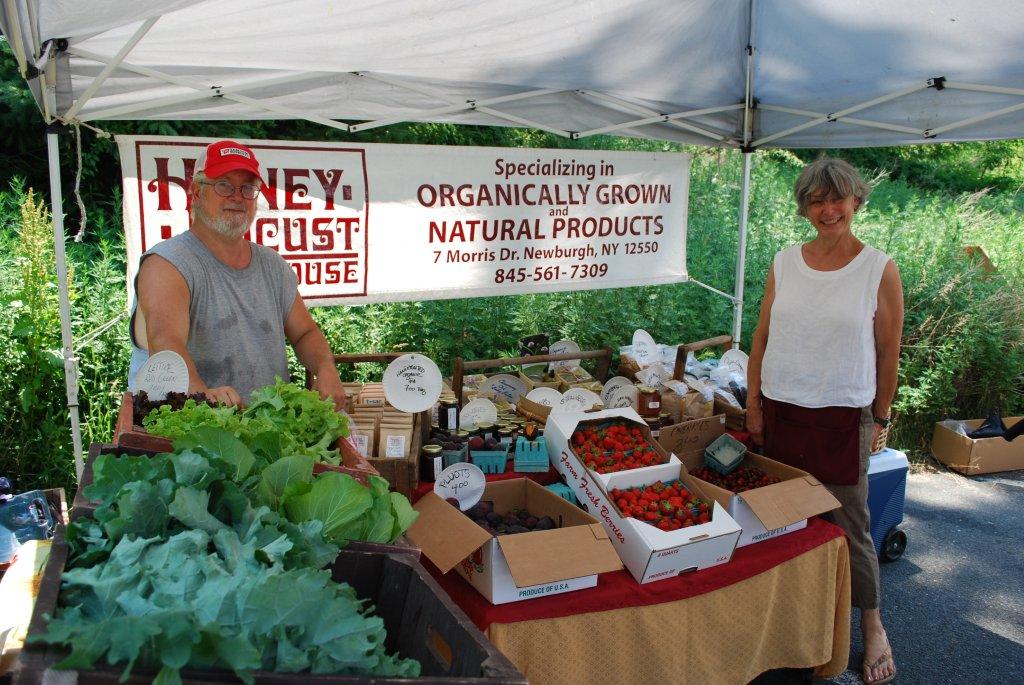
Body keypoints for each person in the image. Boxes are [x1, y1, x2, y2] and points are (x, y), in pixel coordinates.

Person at [746, 157, 902, 685]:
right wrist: (753, 402)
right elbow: (762, 336)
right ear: (805, 207)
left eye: (838, 199)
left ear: (857, 201)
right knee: (780, 519)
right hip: (781, 412)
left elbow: (888, 353)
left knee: (847, 525)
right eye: (816, 201)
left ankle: (872, 625)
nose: (828, 210)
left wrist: (879, 415)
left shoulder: (877, 267)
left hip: (841, 415)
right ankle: (792, 623)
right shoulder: (785, 261)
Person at [127, 140, 346, 409]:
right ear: (196, 193)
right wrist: (203, 397)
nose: (237, 196)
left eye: (248, 188)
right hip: (187, 443)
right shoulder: (167, 264)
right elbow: (166, 343)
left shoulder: (272, 265)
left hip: (266, 437)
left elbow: (305, 333)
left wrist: (326, 369)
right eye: (224, 185)